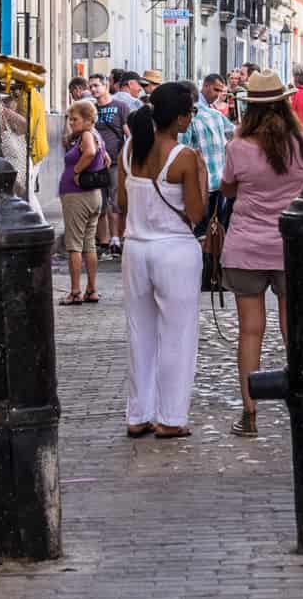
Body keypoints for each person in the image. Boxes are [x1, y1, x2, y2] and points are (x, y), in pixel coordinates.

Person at [220, 71, 303, 437]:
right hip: (291, 246)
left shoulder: (237, 147)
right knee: (295, 331)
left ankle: (250, 411)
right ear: (286, 103)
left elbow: (227, 189)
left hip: (245, 247)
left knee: (250, 332)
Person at [120, 84, 207, 439]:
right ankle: (170, 417)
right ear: (181, 117)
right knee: (178, 335)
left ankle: (138, 413)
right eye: (190, 112)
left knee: (139, 332)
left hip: (135, 248)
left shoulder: (130, 150)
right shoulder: (184, 157)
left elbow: (121, 204)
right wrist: (200, 177)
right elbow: (197, 212)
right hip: (174, 251)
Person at [57, 100, 106, 306]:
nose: (71, 123)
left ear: (87, 120)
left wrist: (77, 171)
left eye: (75, 119)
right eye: (70, 119)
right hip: (93, 196)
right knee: (88, 243)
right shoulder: (96, 135)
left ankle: (75, 291)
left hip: (78, 196)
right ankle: (91, 289)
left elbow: (91, 153)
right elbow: (106, 158)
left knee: (74, 245)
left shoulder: (87, 135)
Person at [178, 78, 236, 236]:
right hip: (219, 181)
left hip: (200, 184)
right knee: (215, 230)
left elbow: (181, 151)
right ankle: (213, 258)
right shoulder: (215, 115)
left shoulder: (187, 119)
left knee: (198, 231)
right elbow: (234, 133)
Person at [88, 74, 130, 255]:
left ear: (106, 86)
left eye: (97, 85)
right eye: (91, 86)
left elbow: (129, 135)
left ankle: (116, 238)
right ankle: (105, 242)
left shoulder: (120, 107)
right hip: (96, 163)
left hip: (115, 162)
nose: (93, 89)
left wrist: (126, 157)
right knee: (100, 204)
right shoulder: (91, 109)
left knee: (116, 202)